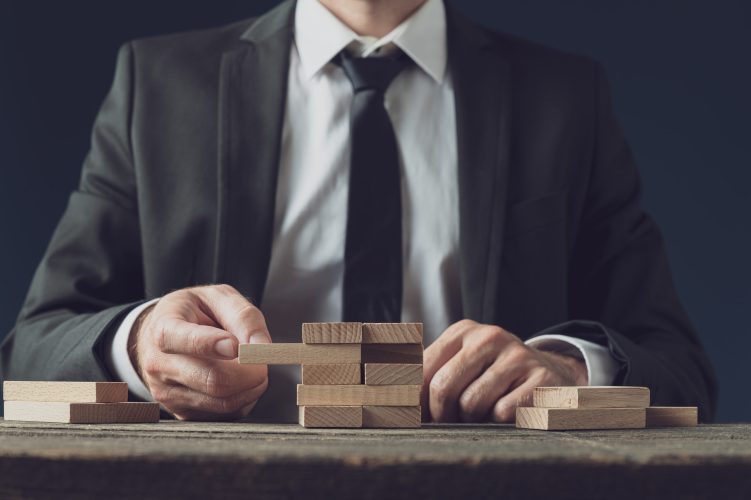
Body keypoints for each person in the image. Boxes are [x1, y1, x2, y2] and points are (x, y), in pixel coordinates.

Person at [1, 0, 717, 423]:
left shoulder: (563, 98)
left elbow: (675, 363)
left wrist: (566, 366)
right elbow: (32, 347)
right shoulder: (159, 84)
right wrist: (138, 343)